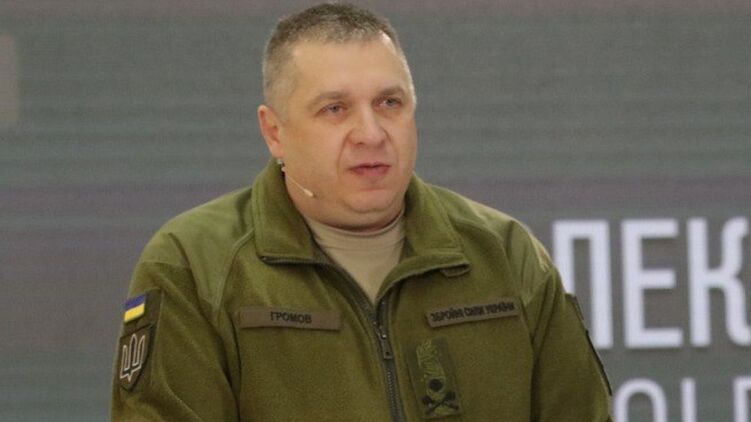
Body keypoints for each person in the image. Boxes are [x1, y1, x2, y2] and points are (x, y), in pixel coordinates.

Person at [111, 3, 612, 421]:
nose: (371, 133)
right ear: (274, 132)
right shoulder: (194, 265)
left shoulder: (504, 255)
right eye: (335, 109)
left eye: (389, 103)